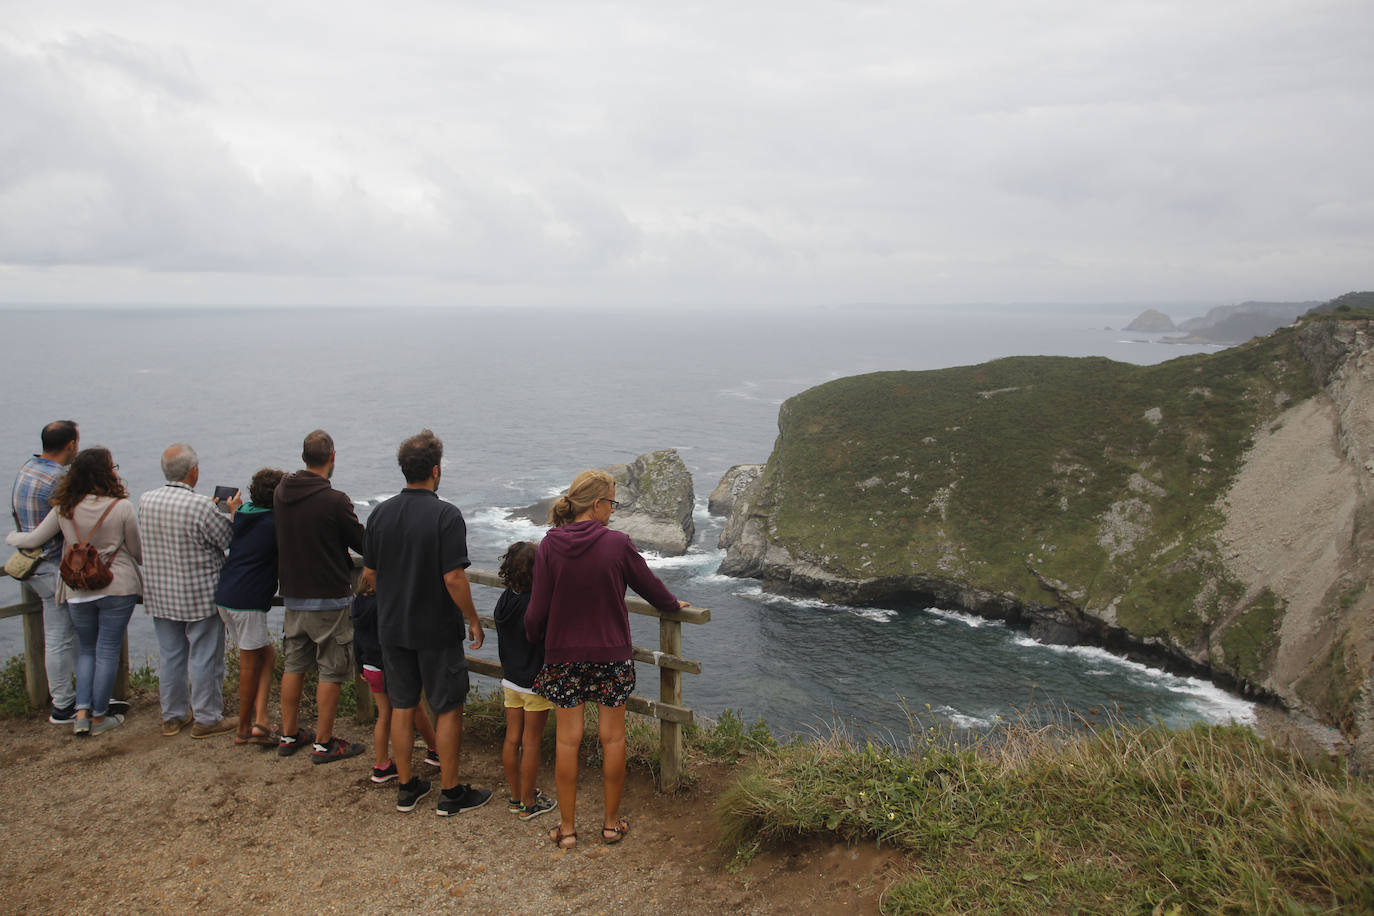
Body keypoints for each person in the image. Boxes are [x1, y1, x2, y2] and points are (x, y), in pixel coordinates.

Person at [525, 469, 689, 848]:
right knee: (613, 740)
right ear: (597, 504)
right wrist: (671, 604)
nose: (613, 511)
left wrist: (536, 640)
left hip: (563, 656)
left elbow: (536, 611)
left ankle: (566, 831)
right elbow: (651, 588)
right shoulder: (618, 544)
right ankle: (611, 826)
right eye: (612, 503)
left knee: (568, 742)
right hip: (611, 656)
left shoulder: (550, 545)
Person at [361, 429, 491, 816]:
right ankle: (450, 794)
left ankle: (406, 787)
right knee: (447, 707)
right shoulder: (446, 515)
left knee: (402, 705)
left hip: (392, 627)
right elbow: (454, 577)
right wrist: (473, 619)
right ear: (436, 470)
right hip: (435, 629)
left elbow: (369, 574)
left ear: (405, 470)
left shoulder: (380, 514)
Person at [7, 447, 141, 735]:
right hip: (116, 586)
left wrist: (11, 537)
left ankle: (81, 712)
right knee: (107, 650)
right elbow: (137, 551)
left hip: (77, 590)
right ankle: (100, 715)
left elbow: (34, 538)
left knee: (87, 650)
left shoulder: (64, 507)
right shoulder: (120, 507)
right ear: (107, 472)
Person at [273, 430, 364, 764]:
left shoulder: (282, 492)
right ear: (333, 457)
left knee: (294, 664)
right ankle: (324, 743)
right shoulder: (335, 500)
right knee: (331, 668)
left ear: (302, 458)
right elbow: (363, 543)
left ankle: (289, 733)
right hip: (329, 595)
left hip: (294, 594)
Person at [139, 443, 240, 739]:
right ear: (193, 471)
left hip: (160, 592)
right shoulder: (201, 506)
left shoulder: (146, 500)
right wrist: (229, 512)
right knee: (204, 656)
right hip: (198, 593)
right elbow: (224, 538)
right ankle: (207, 718)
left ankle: (172, 716)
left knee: (171, 655)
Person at [10, 420, 84, 724]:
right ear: (70, 445)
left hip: (30, 564)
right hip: (53, 565)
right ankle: (63, 704)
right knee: (60, 636)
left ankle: (76, 696)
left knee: (63, 634)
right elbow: (67, 522)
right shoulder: (58, 481)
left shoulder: (27, 468)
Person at [215, 467, 285, 746]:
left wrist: (233, 508)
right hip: (249, 600)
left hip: (226, 595)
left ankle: (261, 719)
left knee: (266, 657)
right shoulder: (276, 523)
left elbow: (239, 520)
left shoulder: (243, 514)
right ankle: (244, 728)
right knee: (249, 663)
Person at [351, 576, 441, 783]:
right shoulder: (383, 604)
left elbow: (357, 637)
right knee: (415, 706)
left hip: (370, 666)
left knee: (384, 715)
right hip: (392, 666)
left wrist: (360, 664)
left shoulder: (358, 603)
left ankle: (381, 764)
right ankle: (435, 750)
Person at [493, 541, 557, 820]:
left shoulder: (506, 599)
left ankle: (516, 795)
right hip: (535, 682)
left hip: (511, 680)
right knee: (531, 742)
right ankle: (529, 803)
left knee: (512, 739)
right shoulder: (537, 603)